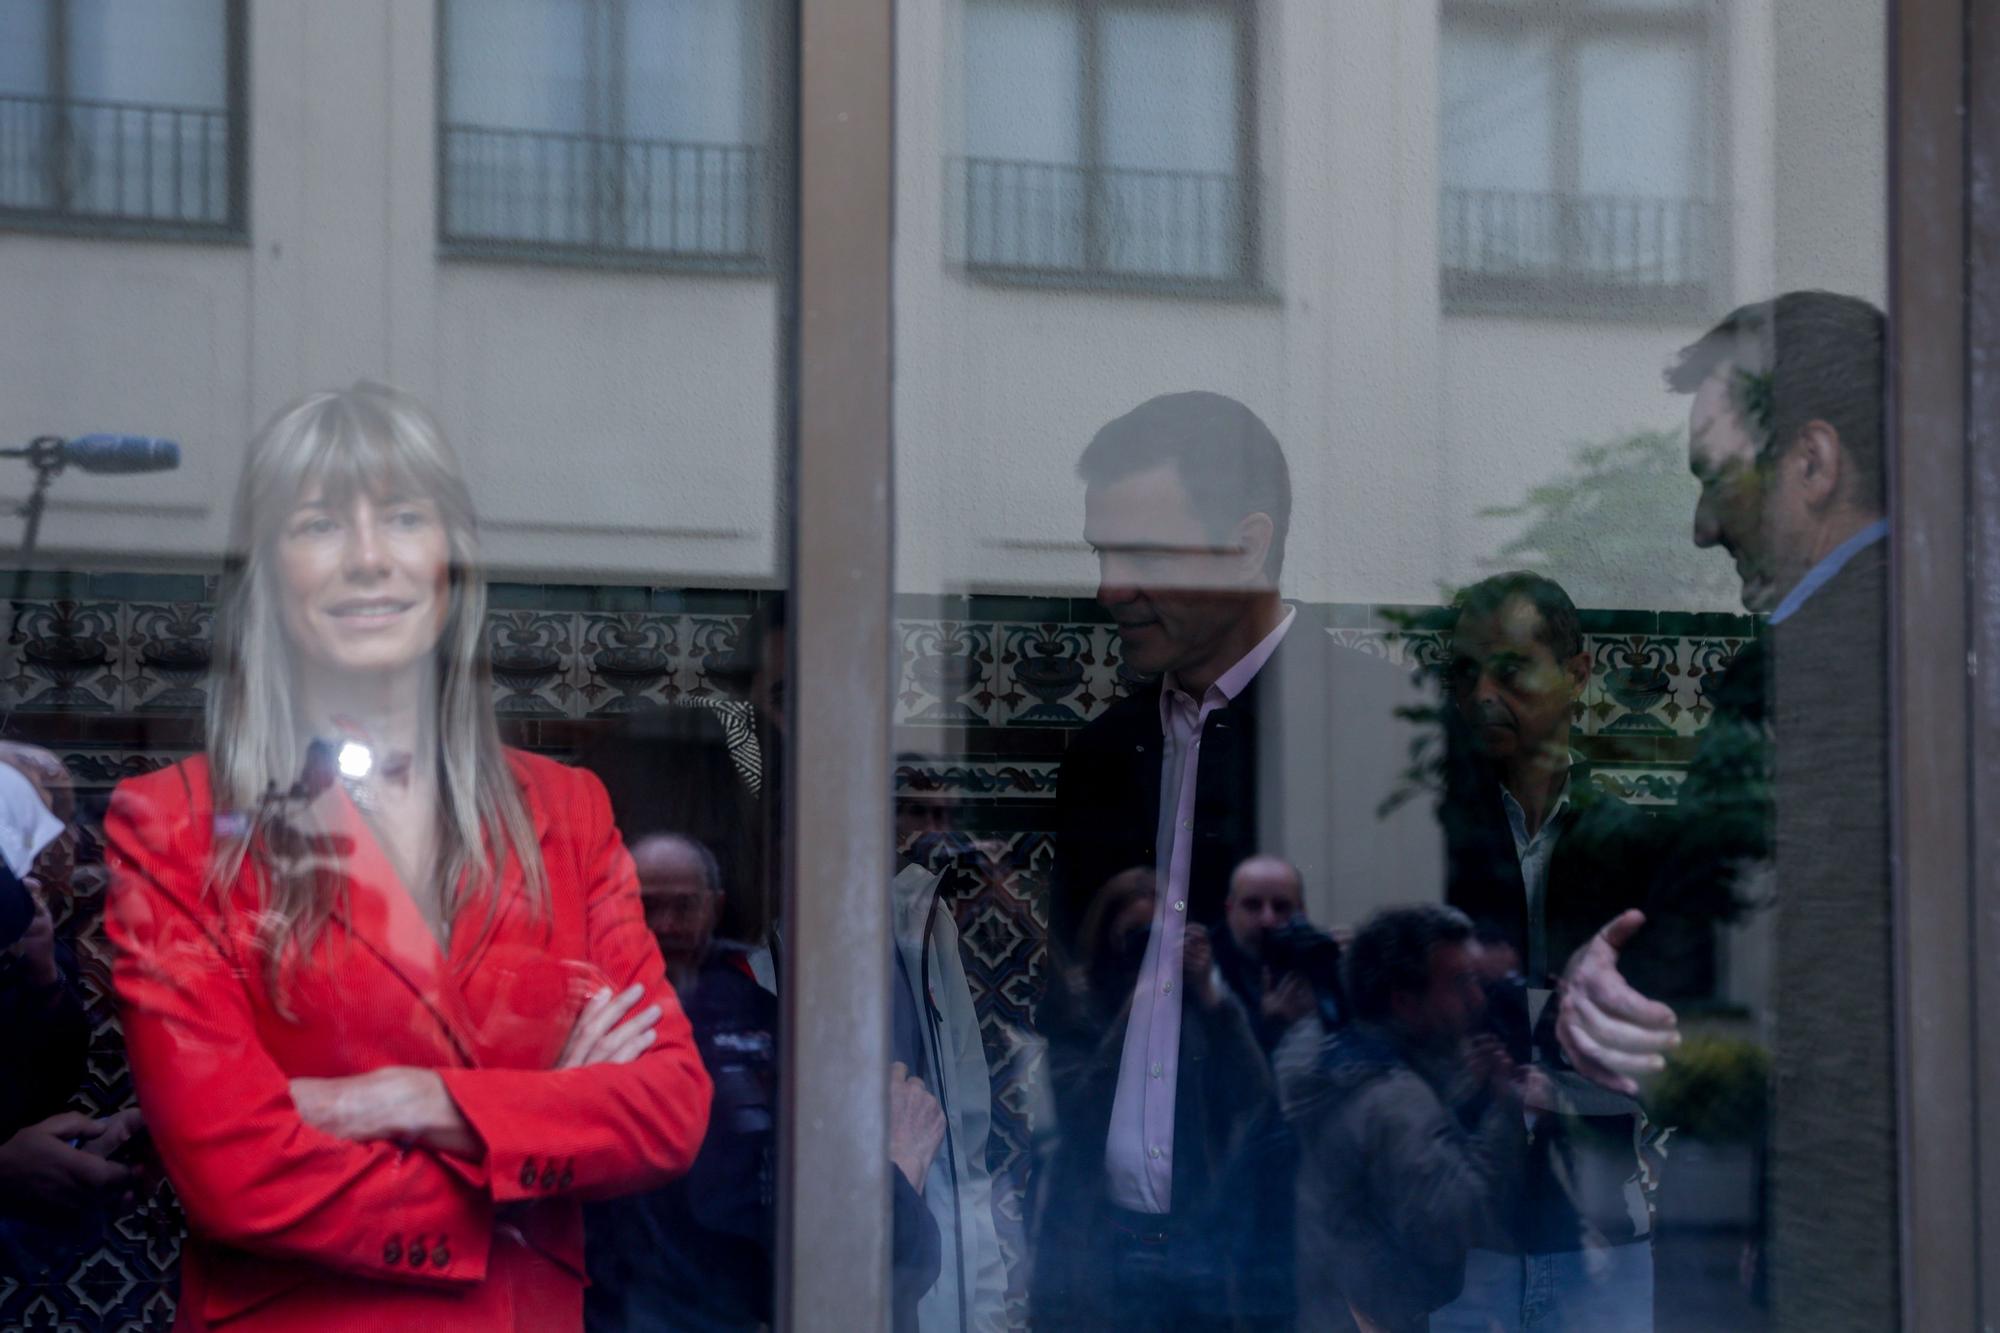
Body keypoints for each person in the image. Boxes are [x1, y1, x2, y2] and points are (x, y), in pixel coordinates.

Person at [102, 384, 713, 1331]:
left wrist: (405, 1099)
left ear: (452, 565)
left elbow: (667, 1107)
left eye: (401, 518)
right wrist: (534, 1124)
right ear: (267, 573)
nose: (369, 558)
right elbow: (234, 1171)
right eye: (317, 524)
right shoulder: (172, 820)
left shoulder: (566, 810)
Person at [1038, 392, 1439, 1329]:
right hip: (1106, 1262)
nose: (1109, 588)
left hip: (1298, 1276)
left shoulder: (1378, 734)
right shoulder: (1101, 759)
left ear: (1250, 543)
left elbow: (1431, 1030)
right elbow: (1073, 1009)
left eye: (1140, 553)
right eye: (1101, 553)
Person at [1554, 292, 1894, 1331]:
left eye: (1713, 477)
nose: (1700, 526)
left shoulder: (1802, 673)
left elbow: (1726, 983)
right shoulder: (1934, 641)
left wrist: (1607, 994)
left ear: (1810, 461)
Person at [1433, 572, 1684, 1333]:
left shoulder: (1638, 844)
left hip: (1601, 1236)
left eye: (1509, 669)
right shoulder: (1426, 836)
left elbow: (1683, 1049)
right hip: (1459, 1244)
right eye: (1466, 672)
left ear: (1578, 673)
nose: (1483, 692)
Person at [1033, 869, 1274, 1332]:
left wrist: (1210, 994)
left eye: (1157, 940)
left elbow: (1256, 1094)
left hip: (1191, 1226)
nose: (1146, 952)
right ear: (1106, 939)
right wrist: (1138, 1009)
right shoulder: (1077, 1005)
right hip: (1100, 1231)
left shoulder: (1191, 1005)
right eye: (1134, 937)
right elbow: (1079, 1112)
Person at [1279, 905, 1531, 1333]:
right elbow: (1458, 1232)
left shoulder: (1346, 1067)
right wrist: (1511, 1114)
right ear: (1404, 1002)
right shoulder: (1394, 1101)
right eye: (1459, 983)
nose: (1478, 998)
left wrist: (1472, 1096)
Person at [1211, 855, 1318, 1055]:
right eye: (1253, 906)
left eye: (1281, 907)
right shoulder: (1202, 969)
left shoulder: (1319, 957)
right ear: (1230, 909)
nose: (1267, 920)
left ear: (1302, 912)